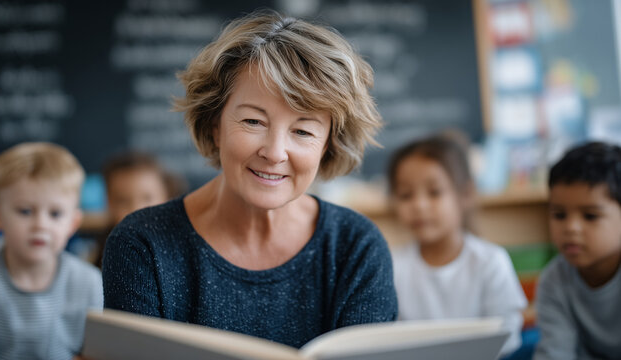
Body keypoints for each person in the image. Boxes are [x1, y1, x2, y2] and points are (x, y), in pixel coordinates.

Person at [102, 10, 397, 349]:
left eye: (302, 131)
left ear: (327, 145)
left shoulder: (356, 248)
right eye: (254, 122)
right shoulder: (142, 245)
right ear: (216, 127)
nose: (274, 152)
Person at [388, 133, 527, 356]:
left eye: (434, 192)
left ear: (466, 194)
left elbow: (508, 336)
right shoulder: (392, 266)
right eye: (406, 195)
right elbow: (388, 337)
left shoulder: (490, 261)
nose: (419, 206)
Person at [0, 142, 103, 360]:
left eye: (55, 214)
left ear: (73, 224)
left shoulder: (90, 283)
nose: (40, 225)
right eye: (25, 211)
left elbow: (97, 352)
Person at [533, 141, 621, 360]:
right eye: (559, 215)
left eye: (590, 216)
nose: (571, 228)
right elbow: (554, 354)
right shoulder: (554, 280)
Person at [92, 151, 186, 267]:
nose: (136, 209)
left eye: (147, 198)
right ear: (109, 203)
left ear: (167, 198)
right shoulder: (96, 256)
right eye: (122, 201)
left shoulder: (182, 253)